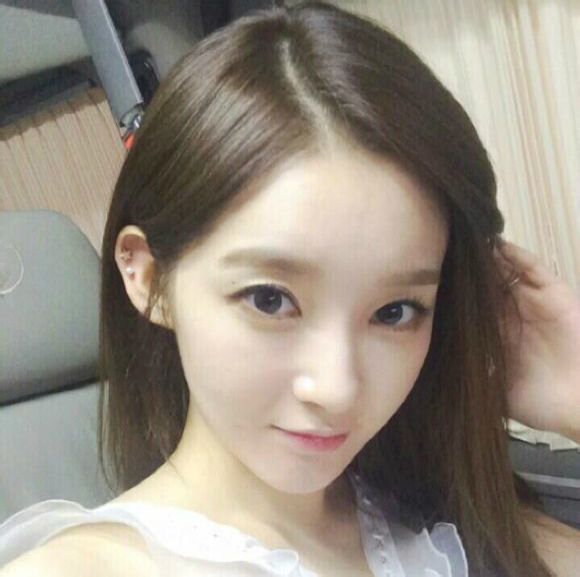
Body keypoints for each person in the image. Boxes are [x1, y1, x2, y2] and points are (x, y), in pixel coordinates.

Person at [1, 1, 579, 576]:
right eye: (270, 300)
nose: (337, 389)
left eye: (395, 312)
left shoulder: (457, 520)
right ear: (150, 279)